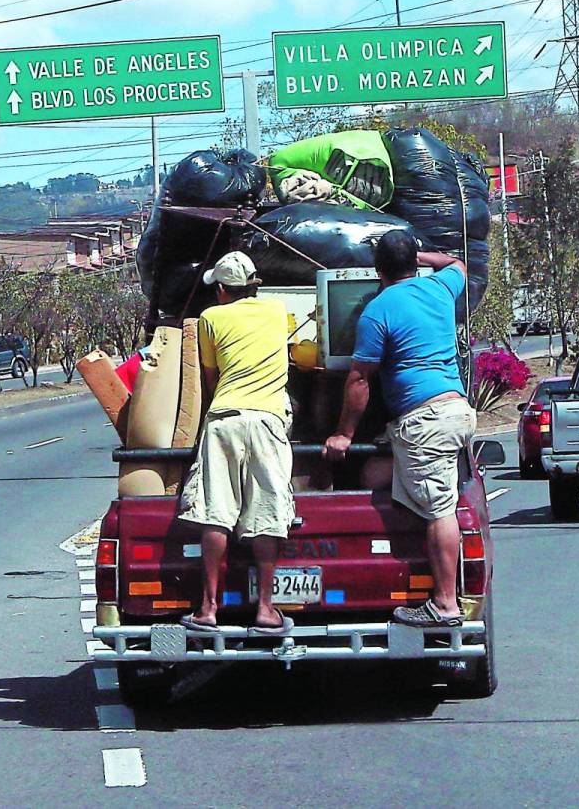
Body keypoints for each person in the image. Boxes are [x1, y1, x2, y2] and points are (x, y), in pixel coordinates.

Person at [323, 230, 476, 628]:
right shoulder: (442, 289)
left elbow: (359, 380)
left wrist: (343, 435)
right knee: (374, 475)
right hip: (450, 413)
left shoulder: (378, 309)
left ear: (378, 269)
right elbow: (458, 263)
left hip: (426, 422)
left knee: (440, 509)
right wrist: (422, 257)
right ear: (414, 264)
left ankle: (444, 603)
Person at [177, 251, 295, 635]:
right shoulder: (277, 312)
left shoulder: (211, 318)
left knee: (216, 511)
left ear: (223, 289)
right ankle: (265, 608)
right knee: (266, 513)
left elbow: (210, 376)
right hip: (267, 420)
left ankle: (208, 608)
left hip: (223, 419)